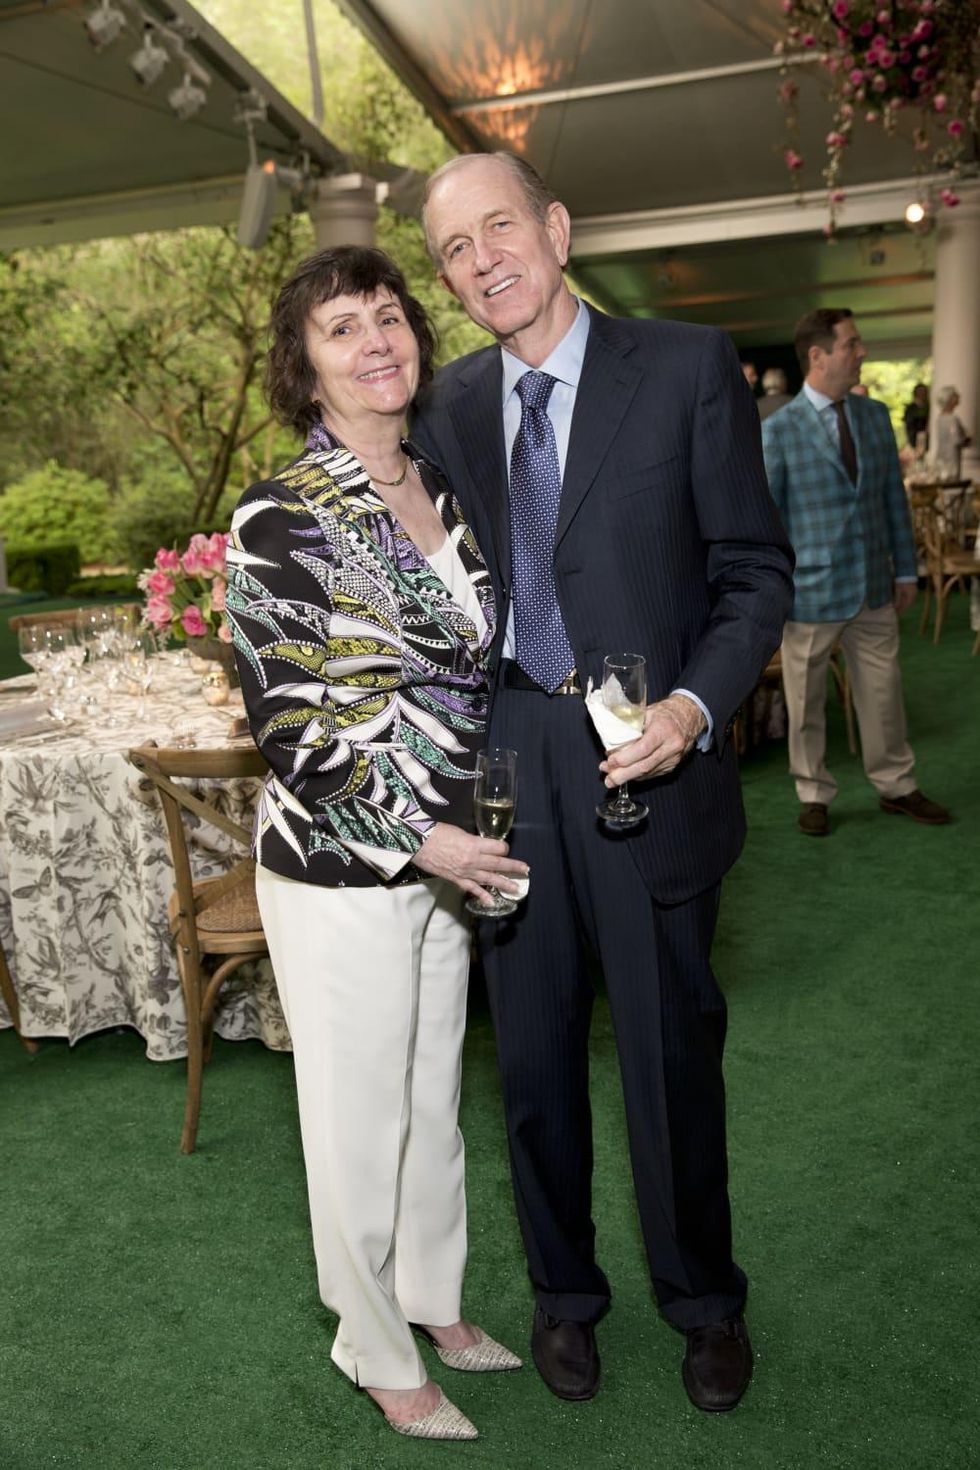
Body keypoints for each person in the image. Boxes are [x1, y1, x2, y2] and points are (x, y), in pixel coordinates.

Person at [413, 151, 794, 1413]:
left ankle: (702, 1302)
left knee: (668, 1054)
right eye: (455, 250)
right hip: (510, 770)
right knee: (527, 1059)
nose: (482, 261)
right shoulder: (449, 405)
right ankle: (564, 1297)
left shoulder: (686, 370)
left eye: (499, 228)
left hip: (651, 757)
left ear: (556, 228)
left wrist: (692, 706)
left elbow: (751, 573)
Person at [226, 246, 526, 1442]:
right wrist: (423, 837)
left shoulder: (442, 487)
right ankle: (369, 1343)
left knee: (427, 1097)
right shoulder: (279, 513)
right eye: (341, 329)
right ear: (306, 370)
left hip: (450, 853)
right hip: (341, 861)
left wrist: (466, 834)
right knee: (354, 1111)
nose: (376, 343)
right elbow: (292, 728)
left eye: (390, 318)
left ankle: (431, 1299)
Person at [761, 308, 951, 837]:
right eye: (852, 344)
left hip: (872, 584)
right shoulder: (778, 430)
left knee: (884, 692)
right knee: (805, 702)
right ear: (818, 356)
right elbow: (769, 522)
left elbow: (893, 499)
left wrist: (907, 572)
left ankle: (897, 785)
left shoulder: (874, 417)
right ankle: (812, 791)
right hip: (809, 593)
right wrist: (774, 591)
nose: (861, 352)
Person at [934, 385, 972, 477]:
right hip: (951, 458)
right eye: (956, 396)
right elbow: (956, 439)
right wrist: (967, 439)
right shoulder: (952, 419)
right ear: (950, 399)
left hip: (941, 455)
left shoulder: (940, 418)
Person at [903, 382, 930, 454]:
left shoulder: (929, 407)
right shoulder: (911, 408)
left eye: (924, 392)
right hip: (915, 438)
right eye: (920, 392)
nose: (922, 394)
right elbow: (908, 425)